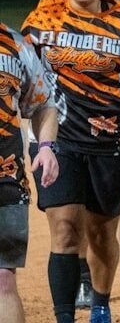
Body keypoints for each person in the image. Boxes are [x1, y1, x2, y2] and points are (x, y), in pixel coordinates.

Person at [23, 0, 120, 323]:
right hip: (60, 143)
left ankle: (101, 306)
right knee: (65, 230)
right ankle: (64, 317)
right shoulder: (42, 22)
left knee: (103, 237)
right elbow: (22, 79)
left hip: (112, 144)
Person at [0, 20, 60, 323]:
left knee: (3, 280)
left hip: (6, 180)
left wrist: (46, 146)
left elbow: (43, 105)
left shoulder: (16, 45)